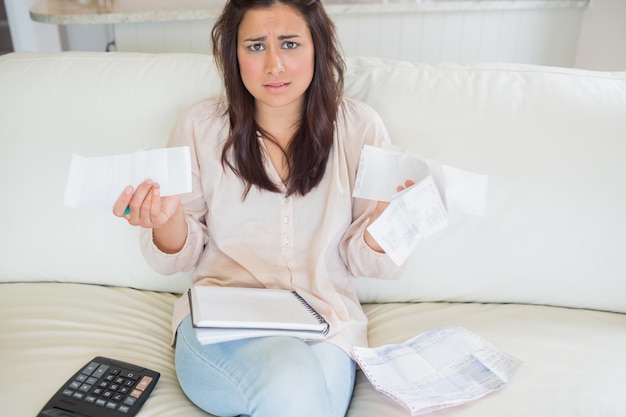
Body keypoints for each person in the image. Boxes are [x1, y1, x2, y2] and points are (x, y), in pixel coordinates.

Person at [113, 0, 410, 415]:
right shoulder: (200, 127)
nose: (274, 65)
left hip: (325, 328)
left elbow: (367, 261)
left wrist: (388, 218)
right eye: (255, 46)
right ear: (234, 56)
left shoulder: (359, 127)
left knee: (301, 391)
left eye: (290, 44)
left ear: (317, 48)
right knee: (289, 377)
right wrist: (168, 220)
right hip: (220, 326)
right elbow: (175, 257)